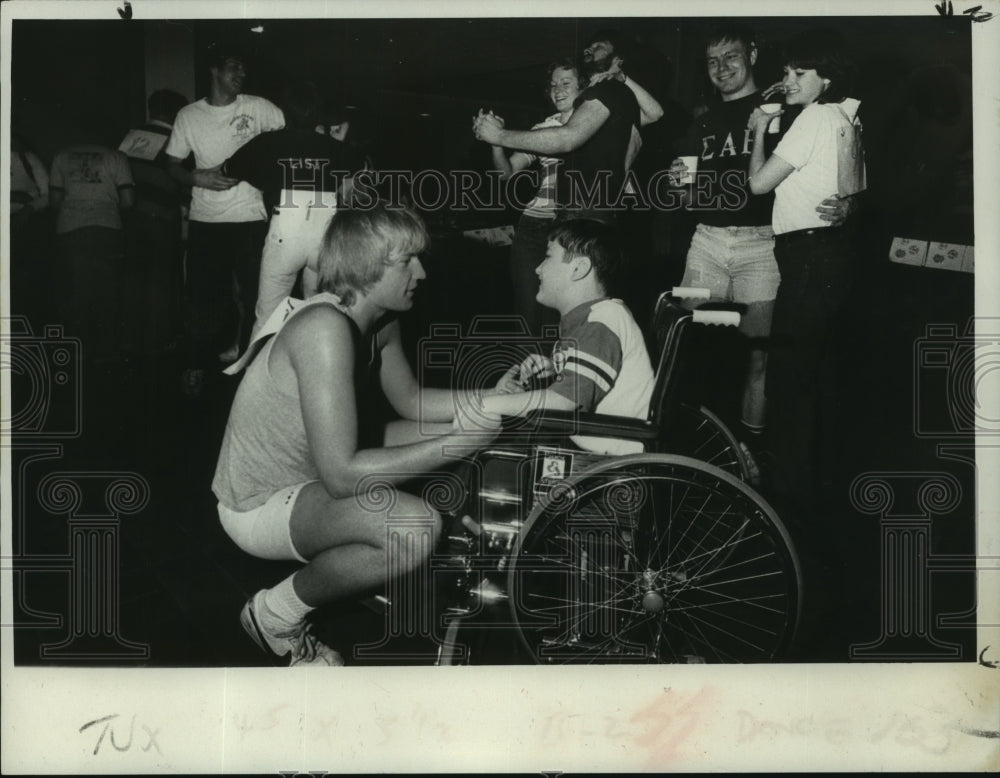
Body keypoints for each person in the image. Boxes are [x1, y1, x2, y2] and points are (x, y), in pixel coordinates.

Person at [212, 203, 501, 666]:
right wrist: (457, 444)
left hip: (309, 479)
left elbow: (412, 402)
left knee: (455, 433)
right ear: (366, 266)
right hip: (258, 503)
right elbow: (343, 476)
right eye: (407, 261)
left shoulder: (380, 321)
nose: (422, 273)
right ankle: (275, 615)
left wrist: (498, 400)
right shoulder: (324, 327)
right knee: (414, 528)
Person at [669, 23, 852, 455]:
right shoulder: (702, 119)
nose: (721, 68)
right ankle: (694, 449)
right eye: (712, 61)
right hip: (706, 243)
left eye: (731, 56)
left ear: (752, 54)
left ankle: (749, 454)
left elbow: (842, 159)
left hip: (762, 246)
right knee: (690, 343)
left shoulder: (786, 106)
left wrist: (850, 202)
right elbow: (684, 189)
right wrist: (682, 187)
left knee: (759, 355)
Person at [746, 28, 865, 525]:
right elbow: (854, 193)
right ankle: (815, 495)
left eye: (800, 72)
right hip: (834, 255)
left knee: (791, 380)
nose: (789, 80)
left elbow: (758, 184)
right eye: (786, 72)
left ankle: (785, 503)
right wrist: (849, 208)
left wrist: (759, 130)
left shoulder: (813, 116)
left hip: (807, 258)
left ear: (826, 78)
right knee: (819, 375)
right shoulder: (846, 116)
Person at [164, 42, 284, 392]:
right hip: (206, 221)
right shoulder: (189, 115)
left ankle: (251, 369)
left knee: (254, 296)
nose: (241, 73)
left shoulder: (259, 108)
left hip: (250, 219)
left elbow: (291, 139)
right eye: (234, 66)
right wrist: (195, 178)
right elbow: (171, 165)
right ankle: (195, 365)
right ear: (214, 70)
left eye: (243, 68)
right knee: (203, 298)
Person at [484, 219, 654, 456]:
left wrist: (488, 404)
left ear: (578, 269)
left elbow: (564, 402)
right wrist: (556, 366)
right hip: (598, 449)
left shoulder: (602, 321)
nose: (538, 268)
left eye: (548, 256)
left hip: (614, 458)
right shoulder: (593, 318)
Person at [474, 30, 663, 222]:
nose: (557, 90)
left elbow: (654, 114)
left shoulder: (602, 116)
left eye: (565, 83)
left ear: (583, 85)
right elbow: (507, 173)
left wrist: (622, 77)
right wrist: (496, 143)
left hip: (579, 214)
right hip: (539, 218)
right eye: (553, 85)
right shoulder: (544, 127)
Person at [220, 80, 358, 340]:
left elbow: (228, 170)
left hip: (285, 230)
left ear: (284, 111)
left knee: (268, 315)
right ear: (318, 113)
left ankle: (262, 364)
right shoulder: (337, 149)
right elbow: (356, 179)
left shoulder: (267, 142)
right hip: (325, 231)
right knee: (322, 312)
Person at [49, 128, 135, 363]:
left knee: (74, 289)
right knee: (108, 290)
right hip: (107, 228)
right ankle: (106, 350)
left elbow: (54, 201)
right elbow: (128, 201)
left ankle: (75, 350)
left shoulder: (61, 156)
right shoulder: (117, 157)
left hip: (69, 229)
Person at [120, 88, 189, 356]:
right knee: (162, 279)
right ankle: (160, 339)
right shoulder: (176, 140)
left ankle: (131, 339)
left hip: (130, 217)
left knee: (133, 278)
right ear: (177, 114)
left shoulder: (129, 136)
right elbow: (182, 183)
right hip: (162, 217)